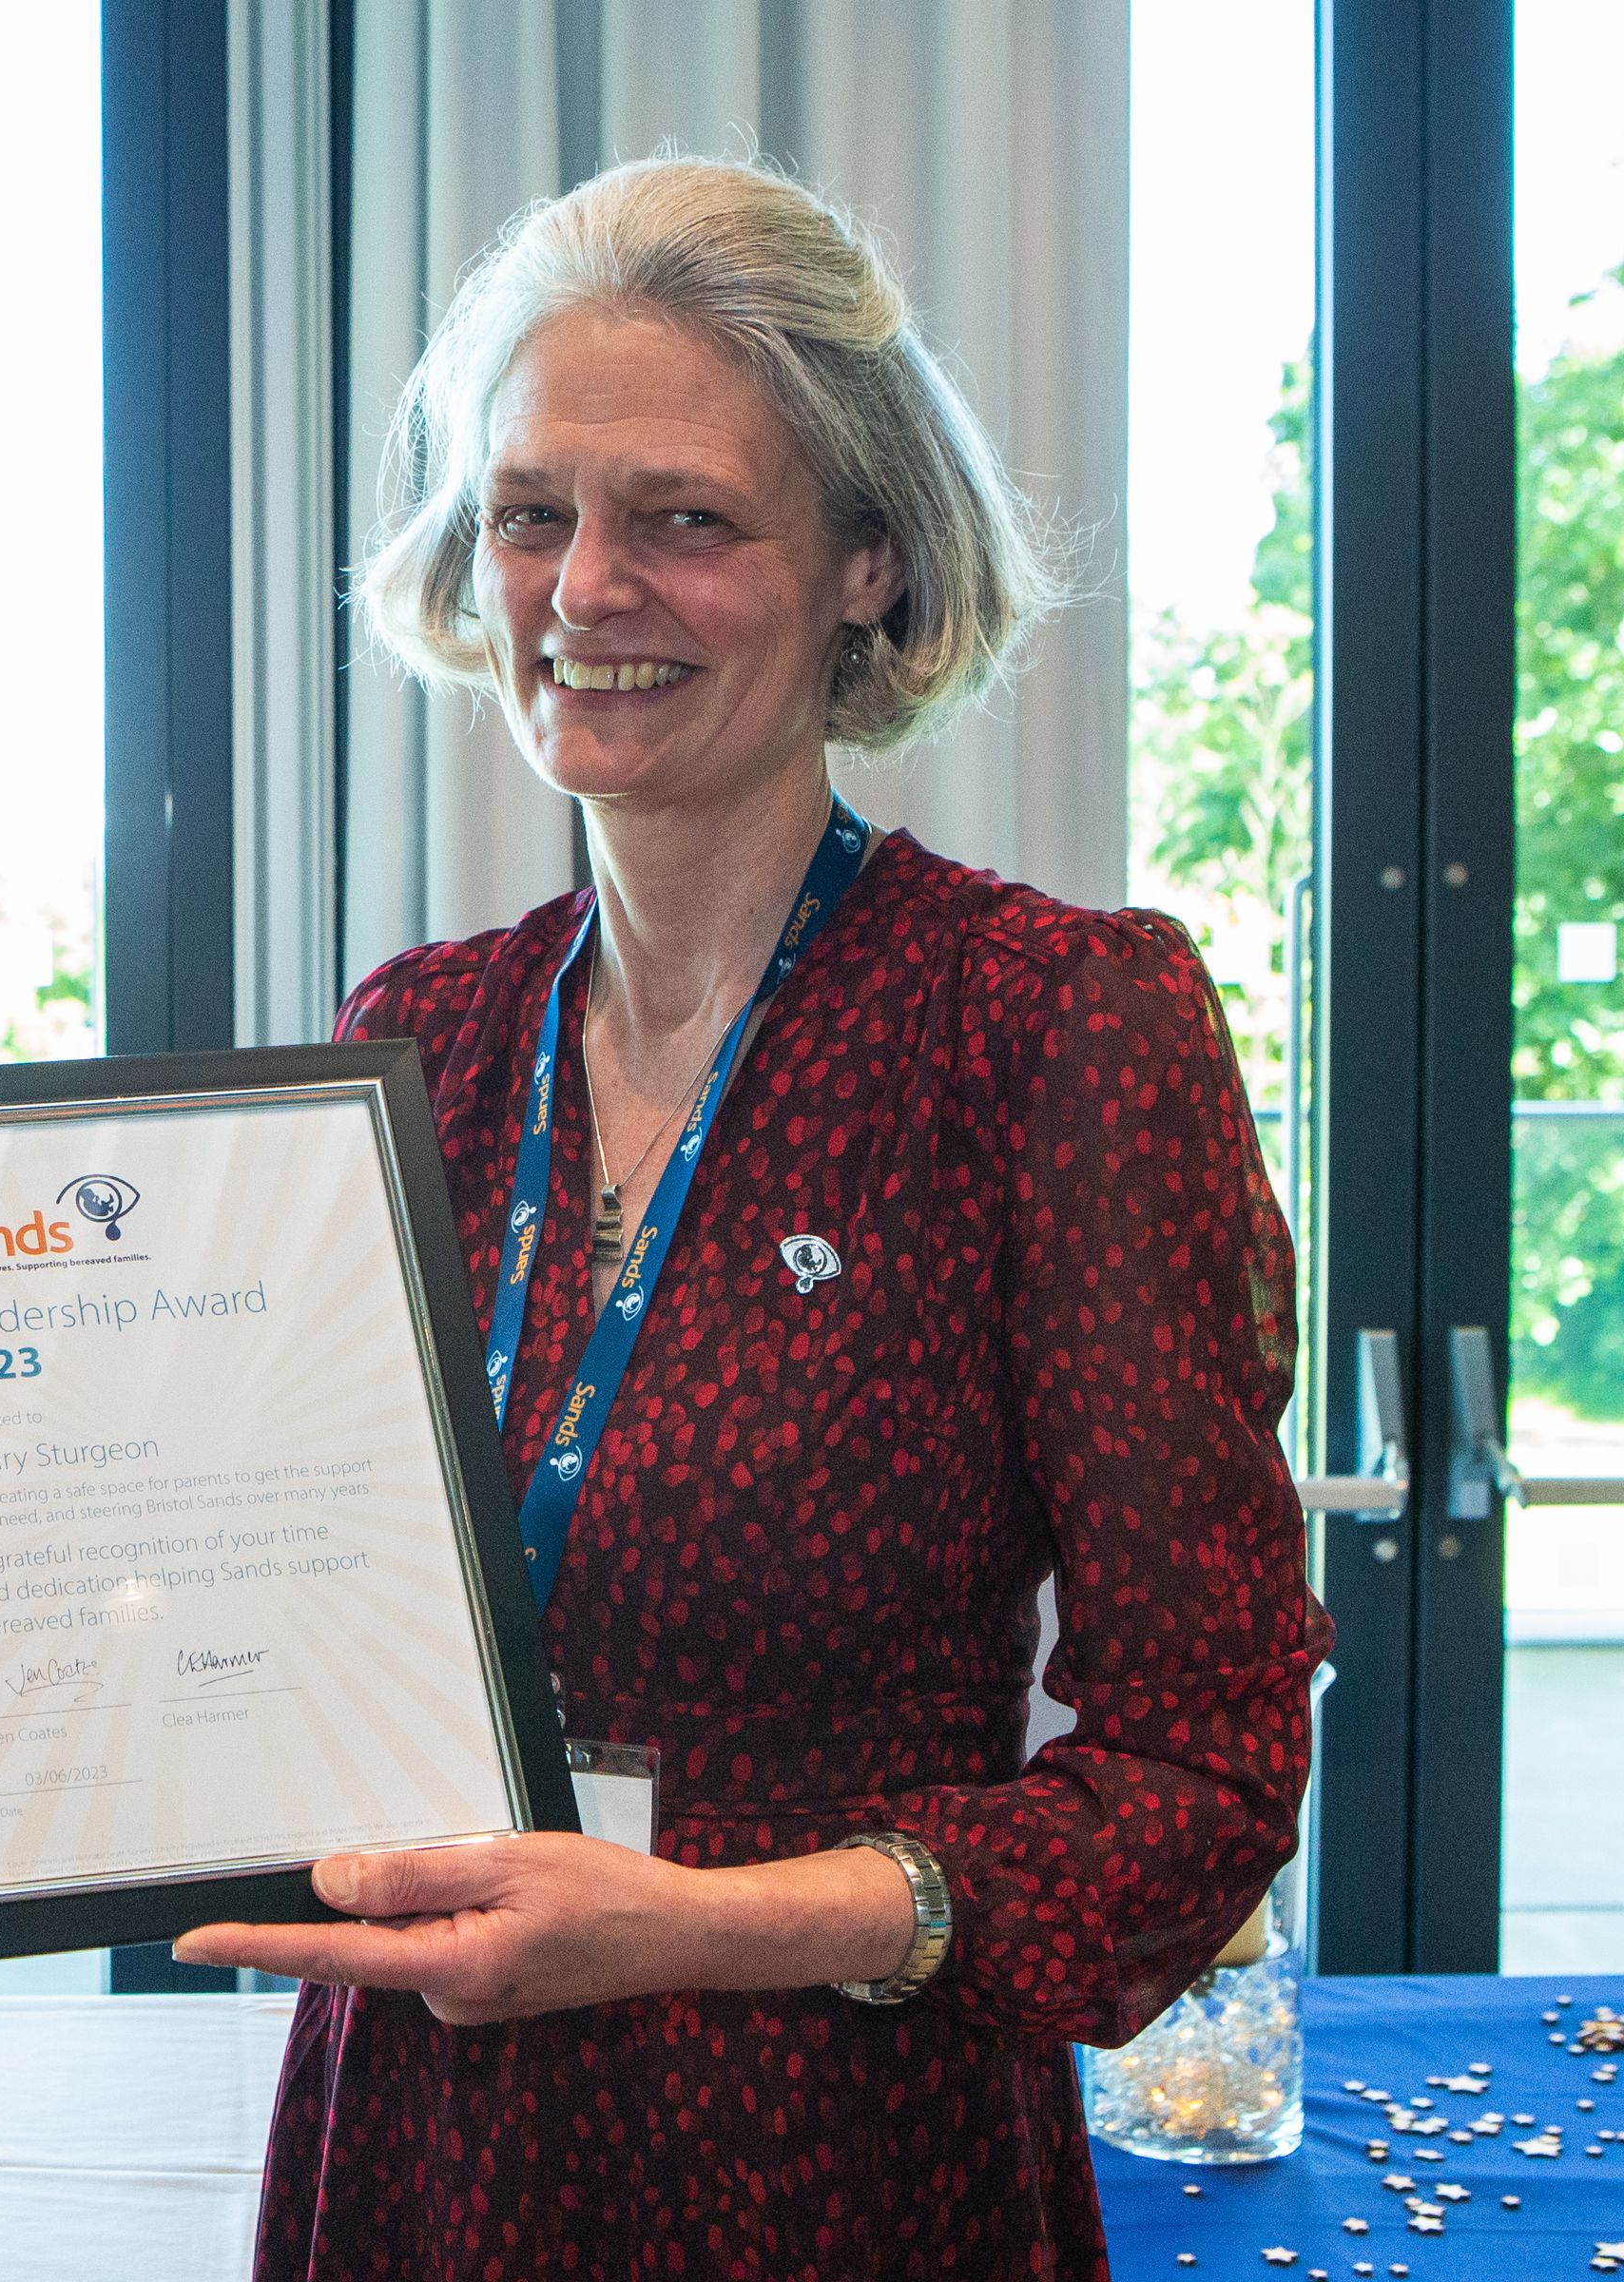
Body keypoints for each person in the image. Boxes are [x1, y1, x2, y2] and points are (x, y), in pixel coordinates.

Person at [170, 158, 1331, 2277]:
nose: (584, 587)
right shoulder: (412, 1046)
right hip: (417, 2144)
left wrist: (699, 1926)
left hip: (842, 2157)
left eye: (682, 519)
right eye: (530, 514)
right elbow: (272, 1612)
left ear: (867, 564)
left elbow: (1205, 1772)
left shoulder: (1050, 1030)